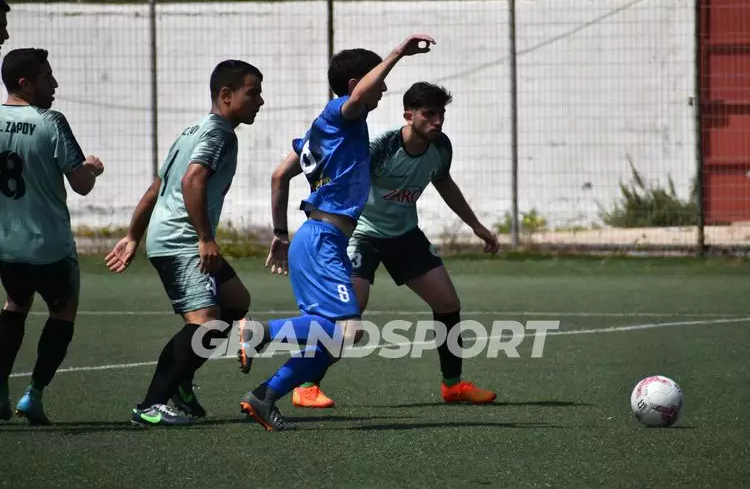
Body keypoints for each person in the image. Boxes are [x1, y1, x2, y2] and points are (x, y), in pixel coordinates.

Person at [238, 34, 436, 431]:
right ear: (355, 86)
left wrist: (280, 233)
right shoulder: (338, 114)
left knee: (332, 343)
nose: (383, 89)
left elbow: (279, 176)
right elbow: (358, 96)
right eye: (379, 81)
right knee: (348, 330)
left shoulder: (326, 131)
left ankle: (264, 396)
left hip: (319, 240)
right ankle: (259, 332)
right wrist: (398, 53)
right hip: (322, 239)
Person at [291, 82, 500, 408]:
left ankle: (453, 386)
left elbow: (443, 182)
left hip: (405, 234)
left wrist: (476, 225)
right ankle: (305, 385)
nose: (437, 121)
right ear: (408, 115)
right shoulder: (382, 147)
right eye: (429, 114)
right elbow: (344, 179)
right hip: (363, 234)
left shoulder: (441, 147)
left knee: (447, 303)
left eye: (441, 114)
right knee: (347, 315)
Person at [105, 60, 264, 427]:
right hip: (182, 241)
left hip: (175, 237)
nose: (260, 101)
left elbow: (155, 189)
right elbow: (191, 181)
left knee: (236, 301)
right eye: (253, 93)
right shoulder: (219, 134)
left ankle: (182, 379)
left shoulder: (192, 130)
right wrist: (205, 238)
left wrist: (133, 235)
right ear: (226, 95)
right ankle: (150, 406)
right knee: (205, 323)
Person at [0, 48, 104, 425]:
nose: (55, 84)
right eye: (47, 77)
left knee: (15, 304)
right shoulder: (51, 121)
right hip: (50, 246)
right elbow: (81, 185)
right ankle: (34, 393)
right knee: (63, 310)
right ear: (25, 83)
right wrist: (91, 168)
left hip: (6, 246)